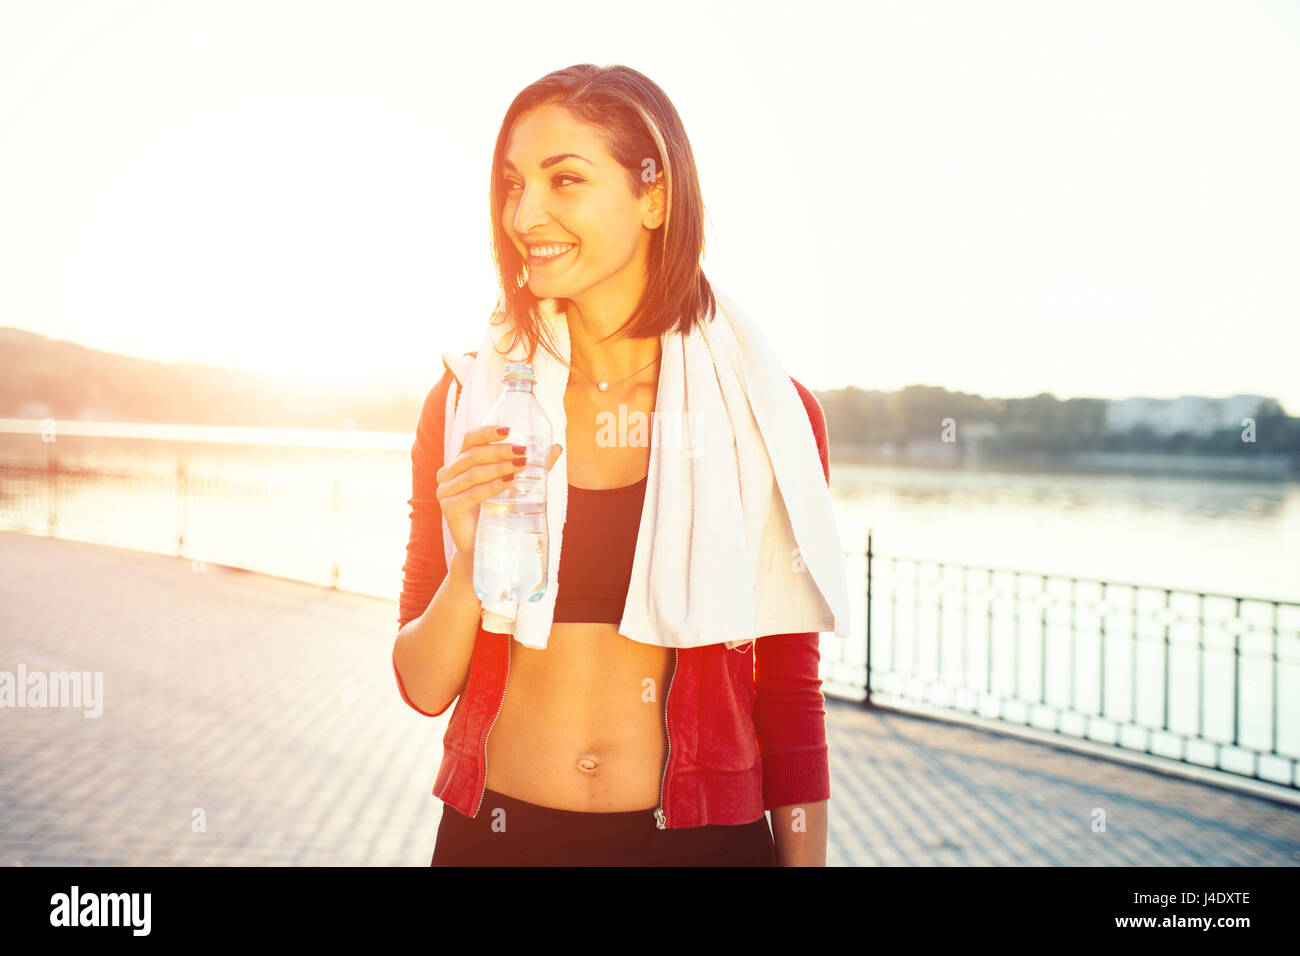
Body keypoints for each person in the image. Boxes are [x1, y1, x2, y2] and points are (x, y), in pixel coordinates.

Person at [393, 64, 833, 866]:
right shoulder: (466, 403)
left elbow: (791, 698)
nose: (526, 213)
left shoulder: (768, 414)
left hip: (700, 844)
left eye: (565, 179)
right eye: (513, 183)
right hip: (499, 837)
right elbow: (423, 687)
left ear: (654, 195)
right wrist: (470, 566)